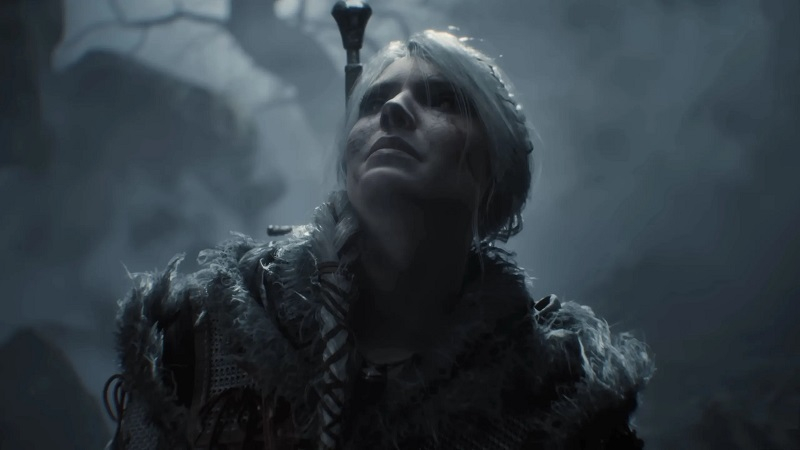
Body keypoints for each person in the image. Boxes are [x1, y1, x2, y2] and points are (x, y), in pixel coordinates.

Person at [104, 30, 654, 450]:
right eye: (373, 102)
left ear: (496, 165)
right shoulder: (205, 336)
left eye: (442, 99)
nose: (393, 109)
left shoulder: (556, 393)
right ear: (348, 159)